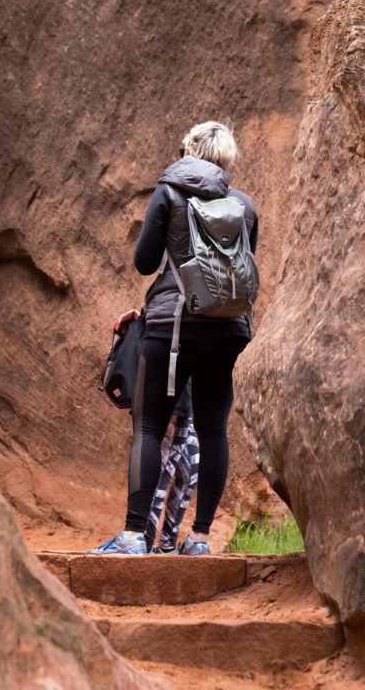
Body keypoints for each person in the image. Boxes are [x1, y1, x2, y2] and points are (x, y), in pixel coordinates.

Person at [89, 120, 258, 557]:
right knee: (214, 429)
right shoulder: (245, 206)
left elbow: (145, 262)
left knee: (147, 427)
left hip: (172, 327)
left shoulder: (169, 192)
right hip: (228, 330)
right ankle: (199, 538)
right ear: (226, 160)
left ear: (189, 151)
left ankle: (132, 536)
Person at [145, 379, 199, 553]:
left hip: (189, 395)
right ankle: (144, 541)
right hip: (171, 385)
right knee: (164, 468)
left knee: (190, 473)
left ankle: (167, 544)